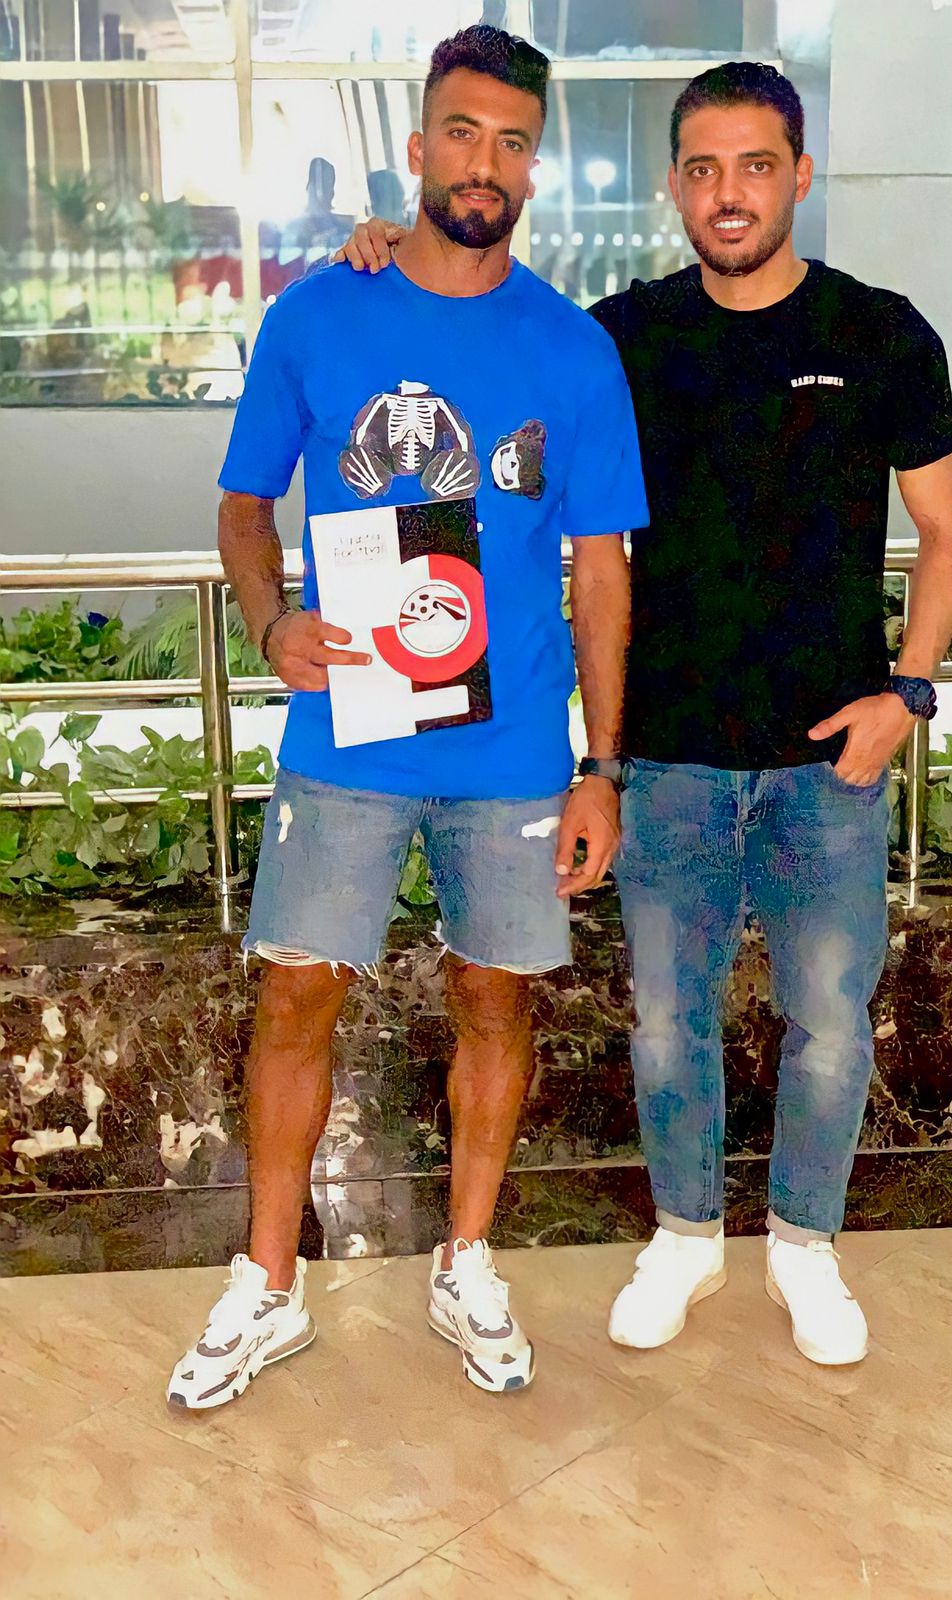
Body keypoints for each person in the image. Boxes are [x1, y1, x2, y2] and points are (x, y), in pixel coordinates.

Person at [344, 60, 952, 1369]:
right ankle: (686, 1237)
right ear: (673, 186)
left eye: (756, 166)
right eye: (703, 169)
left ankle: (805, 1249)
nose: (728, 192)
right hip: (670, 762)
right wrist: (379, 258)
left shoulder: (880, 333)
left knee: (828, 1025)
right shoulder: (618, 339)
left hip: (831, 765)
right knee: (664, 1024)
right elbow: (481, 344)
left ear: (799, 177)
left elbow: (948, 533)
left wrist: (906, 694)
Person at [167, 24, 646, 1410]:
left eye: (512, 142)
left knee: (497, 999)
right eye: (463, 132)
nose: (484, 162)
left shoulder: (575, 350)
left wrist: (601, 767)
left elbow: (603, 572)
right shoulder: (320, 313)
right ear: (422, 142)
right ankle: (269, 1283)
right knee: (296, 994)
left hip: (514, 753)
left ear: (535, 166)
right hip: (350, 737)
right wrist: (270, 623)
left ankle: (466, 1261)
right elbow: (244, 508)